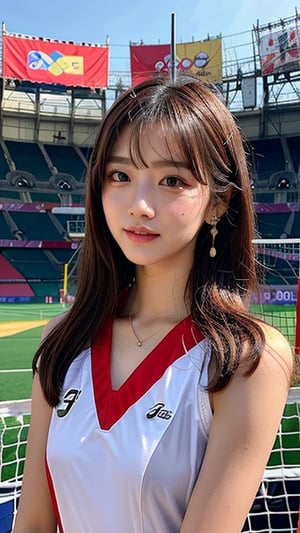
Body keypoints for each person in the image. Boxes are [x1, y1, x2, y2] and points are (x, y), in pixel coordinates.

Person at [13, 75, 294, 533]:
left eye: (171, 180)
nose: (139, 205)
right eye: (120, 175)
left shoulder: (246, 360)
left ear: (218, 202)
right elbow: (33, 522)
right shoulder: (62, 341)